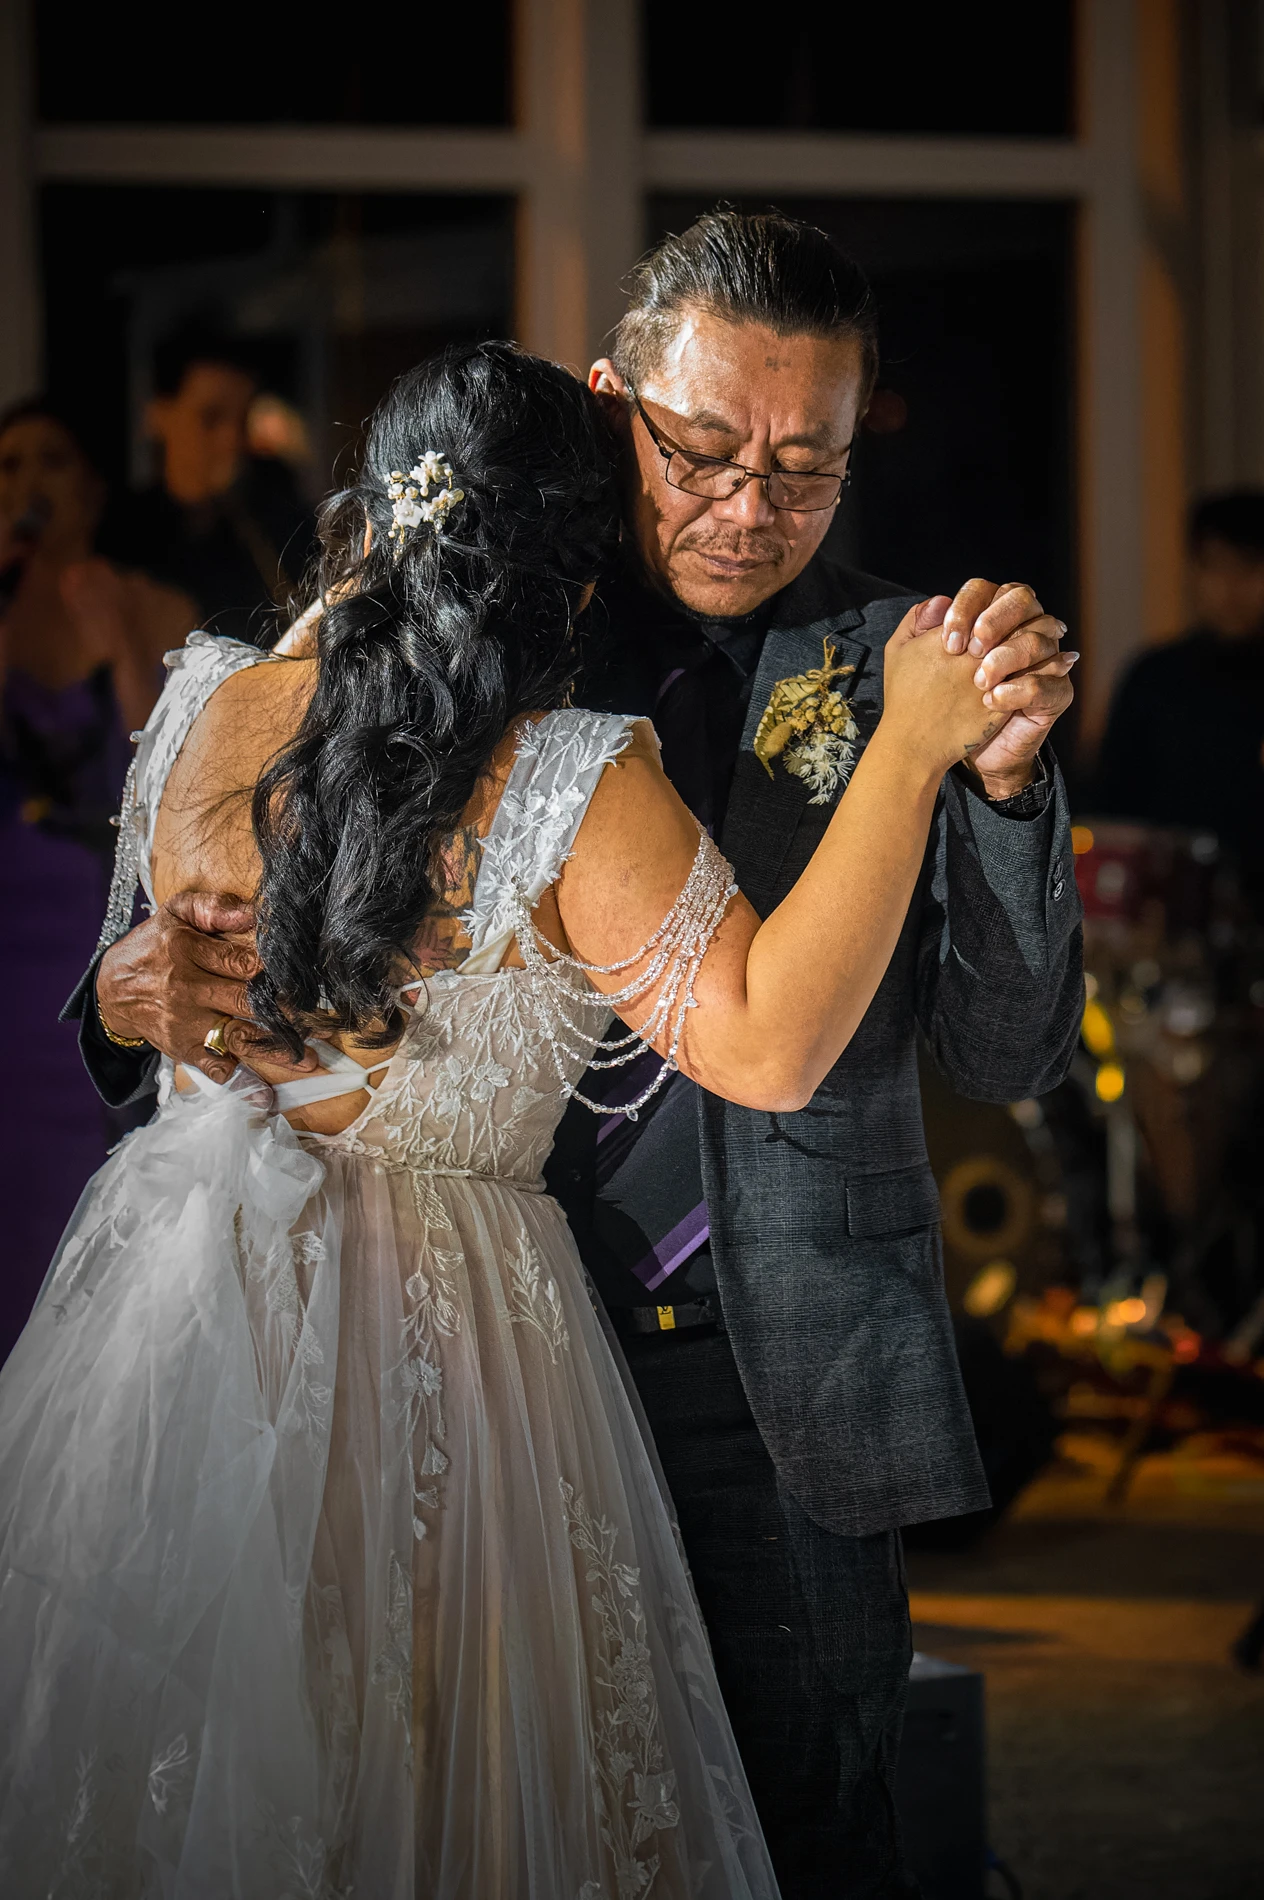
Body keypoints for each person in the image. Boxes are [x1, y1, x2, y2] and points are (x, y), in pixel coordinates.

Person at [70, 211, 1083, 1897]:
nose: (745, 506)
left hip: (770, 1393)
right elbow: (211, 936)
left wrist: (987, 787)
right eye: (699, 451)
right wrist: (124, 991)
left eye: (804, 467)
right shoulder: (469, 634)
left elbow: (1005, 1046)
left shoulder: (901, 670)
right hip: (452, 1370)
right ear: (612, 405)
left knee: (798, 1839)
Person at [0, 397, 193, 1357]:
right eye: (8, 466)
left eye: (50, 462)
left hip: (90, 933)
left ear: (90, 488)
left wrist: (123, 652)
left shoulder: (150, 605)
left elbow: (179, 787)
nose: (27, 485)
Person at [100, 327, 314, 646]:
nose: (231, 441)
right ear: (158, 416)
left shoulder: (276, 528)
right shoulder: (119, 532)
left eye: (242, 421)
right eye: (210, 418)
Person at [1095, 490, 1264, 888]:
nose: (1230, 587)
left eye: (1248, 568)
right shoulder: (1155, 676)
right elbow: (1111, 802)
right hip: (1170, 904)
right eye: (1215, 567)